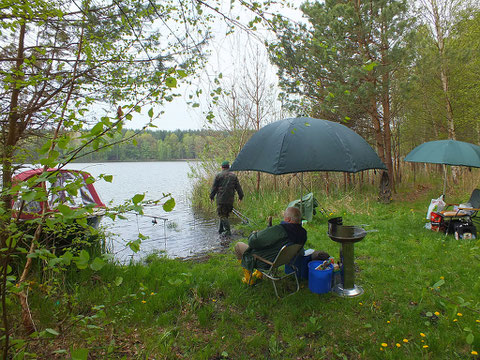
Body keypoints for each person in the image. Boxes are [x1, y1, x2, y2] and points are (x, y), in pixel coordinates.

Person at [234, 206, 307, 283]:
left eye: (284, 217)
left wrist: (253, 234)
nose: (283, 219)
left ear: (288, 219)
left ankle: (248, 279)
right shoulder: (303, 233)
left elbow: (253, 242)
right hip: (281, 260)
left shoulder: (280, 230)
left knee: (238, 246)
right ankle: (259, 274)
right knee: (266, 246)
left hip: (265, 261)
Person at [210, 160, 244, 236]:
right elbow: (238, 188)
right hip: (230, 200)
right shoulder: (234, 176)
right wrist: (240, 196)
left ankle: (228, 231)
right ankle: (221, 230)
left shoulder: (218, 176)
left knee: (222, 215)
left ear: (222, 167)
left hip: (221, 200)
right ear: (228, 167)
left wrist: (211, 196)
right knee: (225, 215)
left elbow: (214, 188)